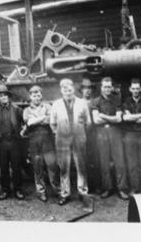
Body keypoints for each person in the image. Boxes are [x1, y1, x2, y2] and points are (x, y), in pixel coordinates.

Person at [49, 78, 93, 208]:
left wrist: (79, 132)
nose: (68, 91)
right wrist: (62, 133)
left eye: (70, 88)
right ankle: (65, 193)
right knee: (64, 168)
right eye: (64, 89)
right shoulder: (56, 104)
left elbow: (88, 122)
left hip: (79, 138)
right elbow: (52, 123)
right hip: (62, 140)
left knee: (81, 166)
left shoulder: (82, 103)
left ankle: (83, 192)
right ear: (61, 90)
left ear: (73, 89)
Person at [91, 77, 129, 199]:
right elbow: (96, 121)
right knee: (104, 162)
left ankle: (122, 188)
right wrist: (110, 118)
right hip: (101, 132)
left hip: (115, 132)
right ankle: (107, 188)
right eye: (105, 87)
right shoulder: (95, 101)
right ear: (101, 88)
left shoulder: (117, 100)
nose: (107, 89)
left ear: (112, 87)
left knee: (120, 161)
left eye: (109, 87)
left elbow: (118, 119)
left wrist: (102, 115)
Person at [22, 85, 60, 202]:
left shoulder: (48, 106)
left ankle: (57, 190)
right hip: (34, 142)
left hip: (47, 141)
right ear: (30, 97)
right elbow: (29, 122)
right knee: (37, 167)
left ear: (41, 95)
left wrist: (36, 120)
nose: (37, 97)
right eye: (34, 95)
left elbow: (51, 120)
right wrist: (42, 118)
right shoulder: (27, 110)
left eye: (38, 95)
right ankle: (41, 192)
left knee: (52, 166)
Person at [0, 84, 25, 201]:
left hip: (15, 142)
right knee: (3, 167)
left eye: (5, 95)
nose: (3, 98)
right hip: (1, 143)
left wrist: (23, 131)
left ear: (8, 97)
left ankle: (18, 190)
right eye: (1, 96)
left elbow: (25, 121)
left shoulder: (16, 109)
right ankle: (5, 190)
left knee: (16, 167)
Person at [78, 78, 100, 193]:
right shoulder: (78, 103)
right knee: (83, 160)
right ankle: (85, 186)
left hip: (94, 134)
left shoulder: (95, 102)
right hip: (82, 134)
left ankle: (96, 185)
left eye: (90, 89)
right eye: (85, 88)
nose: (87, 91)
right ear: (81, 90)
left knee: (95, 160)